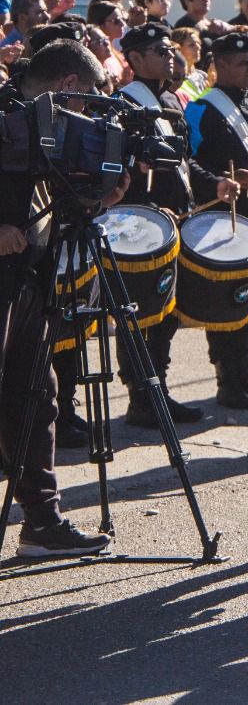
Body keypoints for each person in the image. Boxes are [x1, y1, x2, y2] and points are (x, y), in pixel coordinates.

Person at [0, 41, 126, 557]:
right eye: (87, 101)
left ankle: (42, 522)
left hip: (28, 276)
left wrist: (97, 197)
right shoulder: (7, 114)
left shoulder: (44, 129)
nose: (87, 115)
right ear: (69, 86)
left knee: (35, 393)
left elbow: (52, 199)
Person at [115, 22, 242, 427]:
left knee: (165, 318)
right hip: (141, 226)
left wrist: (216, 183)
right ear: (134, 59)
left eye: (170, 48)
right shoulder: (123, 105)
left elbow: (184, 164)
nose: (170, 54)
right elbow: (119, 173)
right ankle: (141, 398)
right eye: (158, 50)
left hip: (176, 221)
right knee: (140, 315)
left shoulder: (170, 100)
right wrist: (149, 208)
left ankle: (158, 390)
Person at [183, 31, 248, 408]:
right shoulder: (201, 108)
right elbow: (187, 160)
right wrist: (221, 181)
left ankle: (245, 373)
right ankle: (227, 379)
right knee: (225, 297)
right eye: (242, 63)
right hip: (221, 214)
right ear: (220, 64)